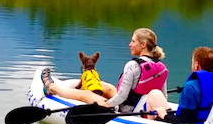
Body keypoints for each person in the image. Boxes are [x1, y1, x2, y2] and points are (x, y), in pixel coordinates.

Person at [41, 27, 169, 112]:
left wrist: (105, 105)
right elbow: (164, 96)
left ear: (143, 45)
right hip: (139, 106)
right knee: (108, 87)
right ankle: (77, 89)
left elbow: (122, 97)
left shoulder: (133, 65)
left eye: (133, 41)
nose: (130, 44)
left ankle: (52, 87)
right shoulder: (161, 67)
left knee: (86, 94)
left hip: (127, 111)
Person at [146, 46, 213, 124]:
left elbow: (185, 121)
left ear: (196, 65)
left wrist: (164, 115)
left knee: (154, 94)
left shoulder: (191, 87)